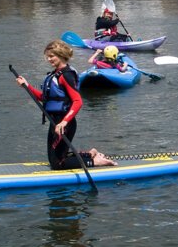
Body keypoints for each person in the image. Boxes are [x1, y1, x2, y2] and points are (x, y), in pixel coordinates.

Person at [14, 40, 117, 170]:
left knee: (57, 164)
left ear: (61, 54)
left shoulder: (66, 75)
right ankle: (90, 154)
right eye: (47, 56)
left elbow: (78, 101)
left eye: (52, 56)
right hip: (55, 122)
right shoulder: (54, 75)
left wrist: (64, 122)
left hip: (64, 123)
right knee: (55, 159)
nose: (48, 59)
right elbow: (44, 98)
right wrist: (26, 86)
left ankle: (95, 161)